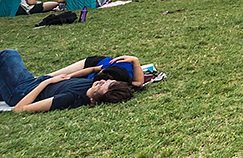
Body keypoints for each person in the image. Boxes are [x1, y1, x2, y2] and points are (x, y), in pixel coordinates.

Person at [0, 50, 144, 113]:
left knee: (9, 54)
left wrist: (47, 83)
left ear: (94, 100)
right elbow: (137, 83)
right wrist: (135, 61)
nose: (101, 82)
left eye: (101, 86)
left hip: (22, 91)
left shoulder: (71, 98)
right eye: (105, 81)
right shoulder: (96, 85)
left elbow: (19, 109)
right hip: (36, 82)